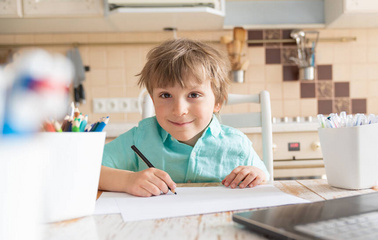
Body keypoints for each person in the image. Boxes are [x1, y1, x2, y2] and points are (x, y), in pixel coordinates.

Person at [99, 38, 269, 197]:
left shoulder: (237, 144)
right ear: (153, 100)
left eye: (194, 95)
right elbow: (86, 169)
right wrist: (127, 180)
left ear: (218, 102)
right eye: (165, 95)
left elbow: (263, 179)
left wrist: (256, 176)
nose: (179, 110)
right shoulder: (140, 138)